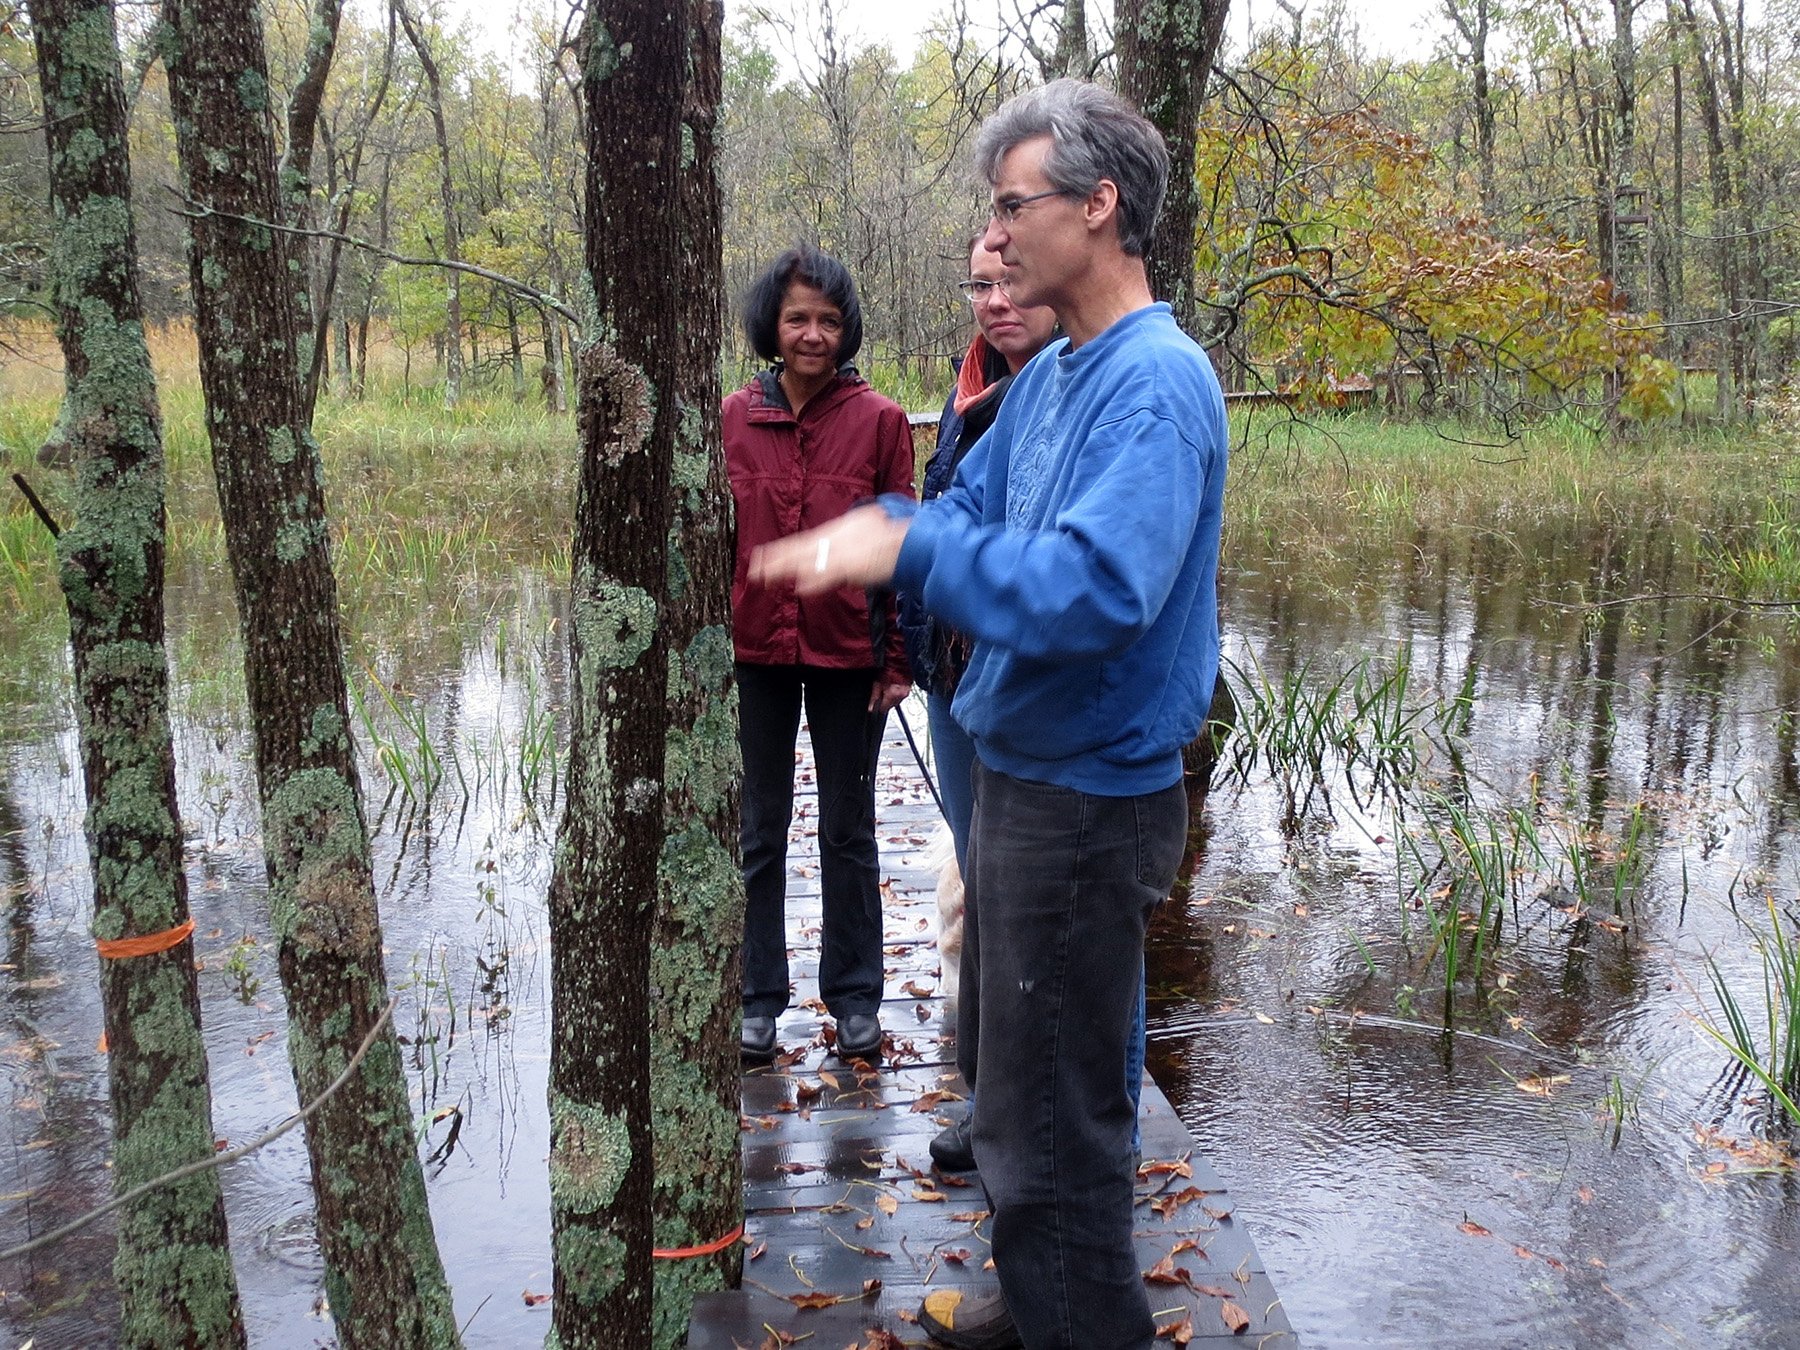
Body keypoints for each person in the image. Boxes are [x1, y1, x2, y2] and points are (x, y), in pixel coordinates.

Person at [750, 80, 1228, 1350]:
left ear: (1099, 204)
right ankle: (1034, 1311)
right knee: (1020, 1101)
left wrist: (894, 549)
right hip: (1023, 784)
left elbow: (1095, 589)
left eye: (1016, 206)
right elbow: (974, 509)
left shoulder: (1157, 385)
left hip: (1085, 802)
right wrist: (905, 528)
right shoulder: (1061, 373)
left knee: (1063, 1119)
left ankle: (1083, 1329)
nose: (1000, 236)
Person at [900, 238, 1152, 1180]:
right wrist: (908, 639)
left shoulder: (1115, 389)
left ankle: (1096, 1142)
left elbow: (1090, 584)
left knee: (1084, 947)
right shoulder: (976, 402)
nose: (997, 298)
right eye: (979, 284)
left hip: (1066, 728)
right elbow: (950, 513)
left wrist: (900, 545)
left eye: (1012, 279)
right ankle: (998, 1110)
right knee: (983, 896)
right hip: (964, 690)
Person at [726, 246, 915, 1065]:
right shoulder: (732, 417)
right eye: (798, 318)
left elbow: (905, 546)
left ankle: (855, 999)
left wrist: (898, 658)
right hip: (753, 652)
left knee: (848, 829)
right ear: (772, 322)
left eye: (828, 321)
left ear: (847, 332)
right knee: (758, 829)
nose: (812, 335)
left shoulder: (878, 421)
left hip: (848, 657)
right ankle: (756, 1000)